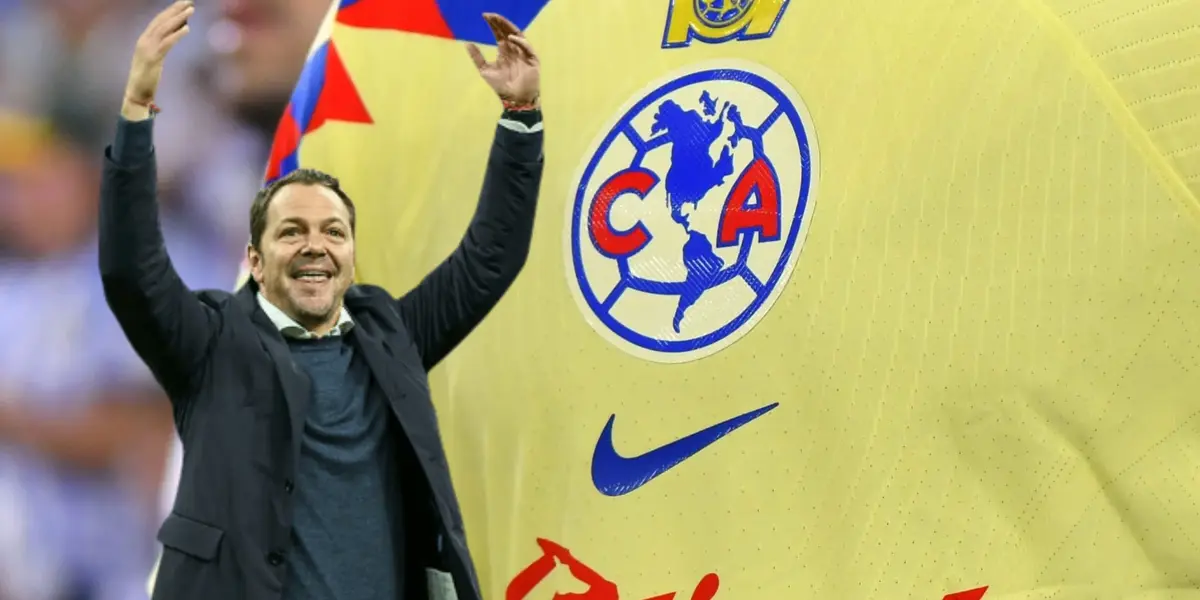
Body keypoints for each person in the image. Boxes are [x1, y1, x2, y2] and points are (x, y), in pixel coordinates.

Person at [99, 2, 544, 599]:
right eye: (291, 232)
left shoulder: (389, 337)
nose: (315, 248)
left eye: (332, 232)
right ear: (253, 260)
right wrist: (135, 117)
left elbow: (488, 259)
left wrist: (520, 118)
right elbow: (132, 272)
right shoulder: (210, 345)